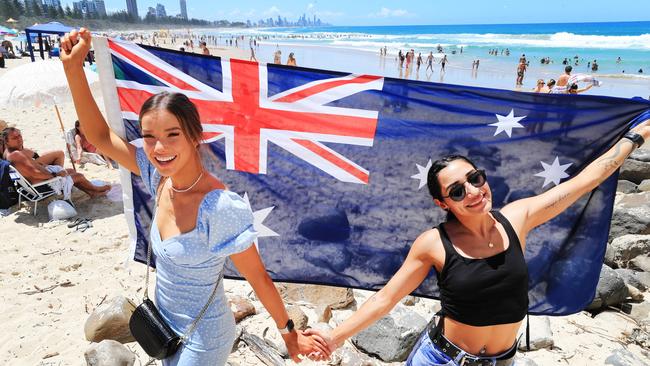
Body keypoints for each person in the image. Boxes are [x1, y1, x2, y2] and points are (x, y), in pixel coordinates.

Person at [60, 28, 329, 366]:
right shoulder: (157, 175)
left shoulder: (218, 207)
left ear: (194, 135)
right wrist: (73, 69)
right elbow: (99, 135)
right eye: (149, 137)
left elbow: (257, 276)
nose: (160, 148)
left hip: (204, 337)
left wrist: (289, 332)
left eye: (173, 134)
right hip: (164, 329)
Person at [304, 119, 650, 365]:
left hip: (503, 361)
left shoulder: (518, 218)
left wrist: (634, 137)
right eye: (457, 190)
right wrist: (334, 338)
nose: (472, 191)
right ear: (443, 203)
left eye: (474, 178)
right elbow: (386, 298)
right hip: (441, 360)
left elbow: (584, 181)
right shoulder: (433, 244)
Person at [2, 127, 111, 198]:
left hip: (31, 185)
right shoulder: (17, 155)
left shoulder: (8, 152)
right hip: (41, 186)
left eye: (19, 136)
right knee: (78, 176)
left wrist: (43, 166)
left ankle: (90, 192)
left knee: (71, 170)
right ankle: (95, 190)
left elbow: (30, 167)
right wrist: (55, 175)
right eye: (14, 138)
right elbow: (35, 173)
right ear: (6, 141)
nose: (19, 139)